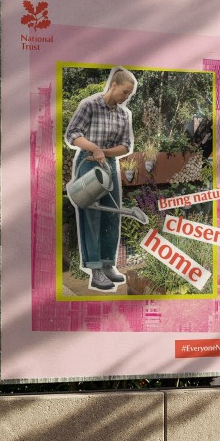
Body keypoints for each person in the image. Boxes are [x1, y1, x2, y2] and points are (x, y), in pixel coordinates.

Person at [64, 67, 137, 291]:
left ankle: (107, 264)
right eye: (125, 92)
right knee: (92, 214)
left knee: (112, 214)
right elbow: (73, 134)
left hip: (110, 164)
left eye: (129, 94)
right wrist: (94, 148)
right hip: (88, 163)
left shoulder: (123, 114)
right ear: (113, 85)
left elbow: (125, 145)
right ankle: (95, 269)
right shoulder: (90, 105)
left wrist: (103, 152)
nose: (127, 97)